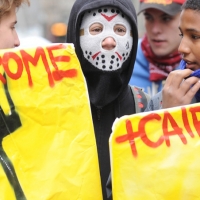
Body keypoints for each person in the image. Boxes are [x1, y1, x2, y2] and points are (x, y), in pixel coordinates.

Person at [66, 0, 149, 199]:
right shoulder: (55, 107)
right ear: (75, 35)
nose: (109, 42)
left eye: (120, 30)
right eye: (96, 29)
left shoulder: (146, 108)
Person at [145, 0, 200, 112]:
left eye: (194, 36)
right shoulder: (164, 101)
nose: (181, 48)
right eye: (182, 34)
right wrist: (169, 114)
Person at [129, 0, 185, 96]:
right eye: (149, 17)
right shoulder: (126, 60)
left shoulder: (195, 65)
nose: (155, 30)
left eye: (166, 19)